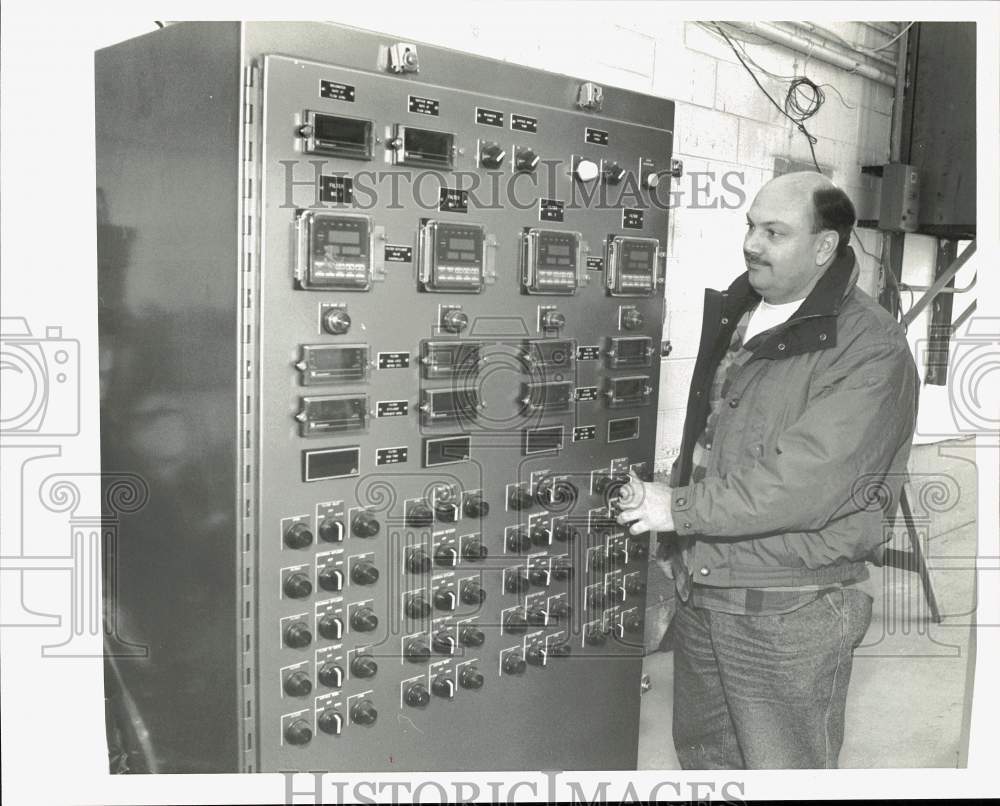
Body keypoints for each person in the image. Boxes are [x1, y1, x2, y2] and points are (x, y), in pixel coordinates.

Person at [616, 171, 918, 769]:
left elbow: (806, 485)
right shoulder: (742, 309)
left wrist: (673, 507)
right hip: (705, 590)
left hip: (789, 611)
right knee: (707, 763)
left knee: (783, 770)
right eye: (751, 226)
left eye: (774, 232)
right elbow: (714, 434)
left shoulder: (869, 347)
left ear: (824, 246)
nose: (752, 243)